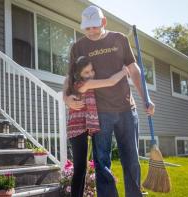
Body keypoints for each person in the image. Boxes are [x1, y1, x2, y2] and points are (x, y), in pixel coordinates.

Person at [63, 5, 155, 197]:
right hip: (99, 113)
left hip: (126, 109)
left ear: (103, 22)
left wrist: (146, 98)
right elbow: (69, 78)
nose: (91, 32)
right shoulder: (78, 46)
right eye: (87, 28)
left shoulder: (119, 39)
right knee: (102, 162)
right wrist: (66, 98)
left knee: (131, 160)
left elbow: (134, 70)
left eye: (94, 27)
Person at [66, 56, 128, 197]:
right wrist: (124, 72)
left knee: (82, 168)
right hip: (77, 129)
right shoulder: (83, 84)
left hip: (84, 128)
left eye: (92, 71)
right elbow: (110, 81)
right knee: (80, 168)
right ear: (79, 74)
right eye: (86, 72)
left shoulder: (82, 83)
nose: (91, 74)